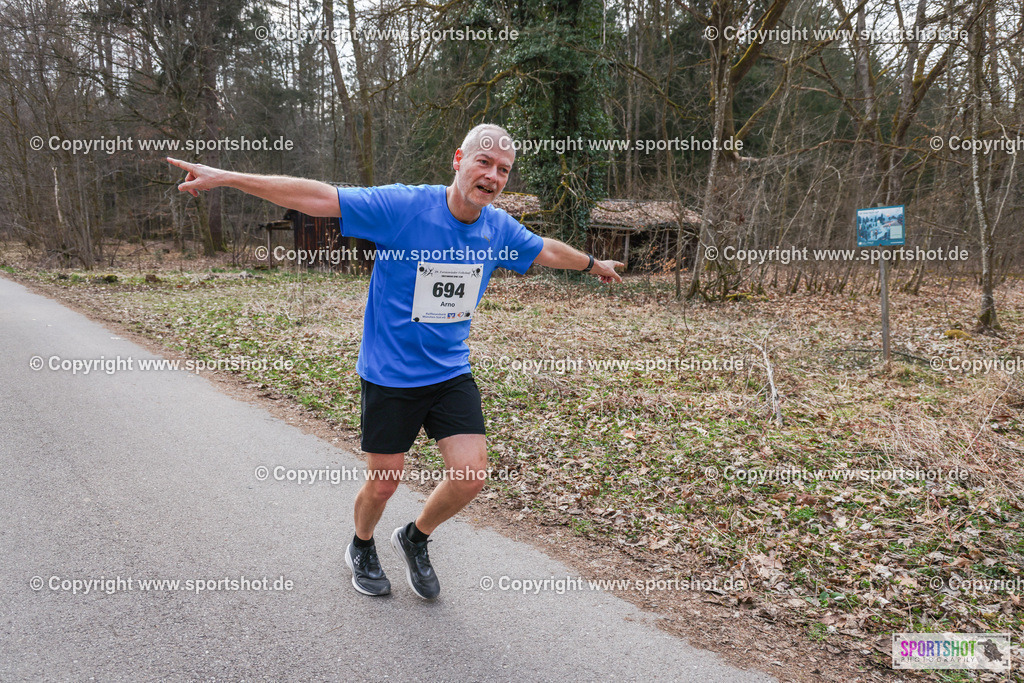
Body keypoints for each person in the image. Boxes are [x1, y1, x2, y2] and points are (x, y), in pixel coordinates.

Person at [166, 124, 623, 600]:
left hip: (449, 371)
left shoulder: (498, 229)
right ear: (457, 160)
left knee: (470, 475)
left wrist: (594, 264)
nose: (492, 176)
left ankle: (415, 537)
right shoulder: (405, 208)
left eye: (503, 170)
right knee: (383, 484)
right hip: (390, 374)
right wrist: (227, 177)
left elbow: (546, 250)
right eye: (483, 162)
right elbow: (321, 198)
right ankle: (361, 544)